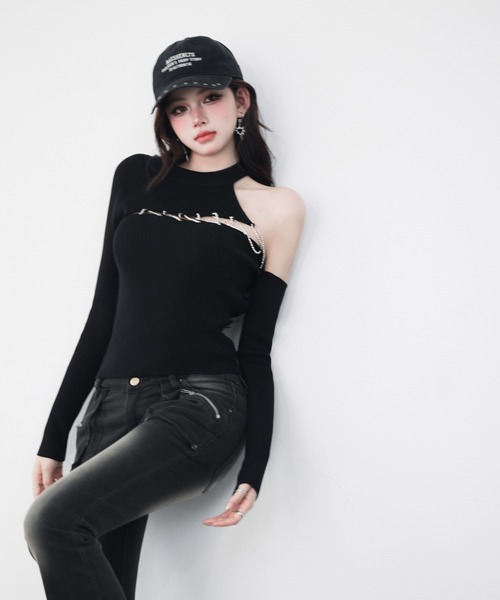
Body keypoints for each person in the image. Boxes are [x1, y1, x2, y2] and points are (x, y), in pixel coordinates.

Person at [24, 35, 305, 599]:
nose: (196, 118)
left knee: (52, 524)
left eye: (210, 98)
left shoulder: (276, 207)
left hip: (201, 403)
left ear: (241, 100)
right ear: (165, 119)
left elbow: (256, 348)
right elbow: (104, 314)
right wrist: (53, 438)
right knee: (93, 562)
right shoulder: (136, 178)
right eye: (179, 107)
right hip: (109, 405)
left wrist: (255, 466)